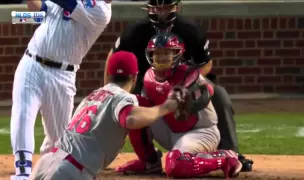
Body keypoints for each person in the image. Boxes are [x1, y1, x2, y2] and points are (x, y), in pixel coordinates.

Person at [103, 0, 253, 172]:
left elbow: (206, 63)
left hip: (185, 80)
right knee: (129, 105)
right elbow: (114, 59)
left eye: (166, 7)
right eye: (157, 7)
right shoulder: (135, 31)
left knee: (219, 94)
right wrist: (111, 91)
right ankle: (147, 160)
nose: (161, 12)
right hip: (147, 81)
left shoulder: (191, 30)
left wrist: (189, 84)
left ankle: (231, 152)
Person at [29, 51, 183, 180]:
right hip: (69, 172)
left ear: (109, 75)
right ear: (135, 77)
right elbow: (130, 118)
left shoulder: (92, 96)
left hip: (45, 163)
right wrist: (165, 107)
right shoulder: (123, 97)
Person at [115, 32, 242, 179]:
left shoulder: (188, 74)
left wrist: (188, 100)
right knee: (135, 109)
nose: (161, 57)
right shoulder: (148, 76)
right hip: (171, 129)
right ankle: (149, 162)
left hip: (200, 131)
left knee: (175, 166)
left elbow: (207, 91)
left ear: (176, 54)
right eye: (157, 53)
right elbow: (144, 110)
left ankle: (225, 157)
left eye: (166, 53)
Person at [10, 0, 111, 179]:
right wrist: (23, 13)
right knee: (23, 114)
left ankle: (45, 169)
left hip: (63, 76)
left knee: (59, 141)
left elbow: (68, 4)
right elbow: (40, 10)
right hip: (32, 62)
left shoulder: (102, 12)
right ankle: (22, 173)